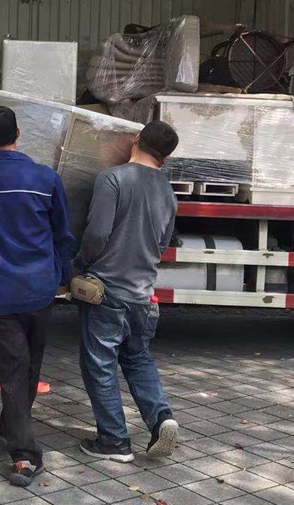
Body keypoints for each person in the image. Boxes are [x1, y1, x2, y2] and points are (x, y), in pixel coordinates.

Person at [0, 106, 75, 488]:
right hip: (40, 288)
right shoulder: (45, 178)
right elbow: (62, 234)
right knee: (29, 365)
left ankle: (13, 434)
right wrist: (64, 276)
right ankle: (24, 453)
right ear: (19, 132)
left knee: (13, 368)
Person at [72, 120, 180, 463]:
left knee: (100, 364)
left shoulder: (113, 178)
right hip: (143, 293)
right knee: (137, 357)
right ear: (165, 157)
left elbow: (97, 234)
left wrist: (77, 265)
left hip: (107, 290)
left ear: (136, 138)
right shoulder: (168, 192)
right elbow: (162, 243)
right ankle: (161, 418)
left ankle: (114, 441)